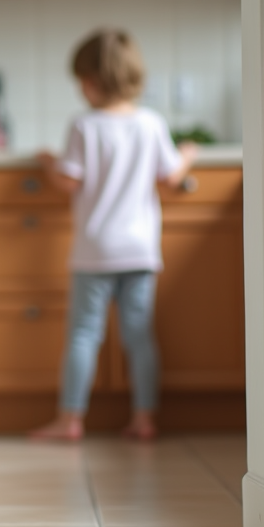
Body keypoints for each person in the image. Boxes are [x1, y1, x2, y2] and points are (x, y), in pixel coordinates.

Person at [30, 29, 196, 443]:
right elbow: (172, 177)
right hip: (139, 251)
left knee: (84, 334)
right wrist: (190, 152)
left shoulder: (85, 126)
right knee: (139, 337)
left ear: (90, 81)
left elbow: (68, 182)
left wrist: (48, 161)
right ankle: (144, 418)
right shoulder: (152, 123)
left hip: (95, 252)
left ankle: (70, 419)